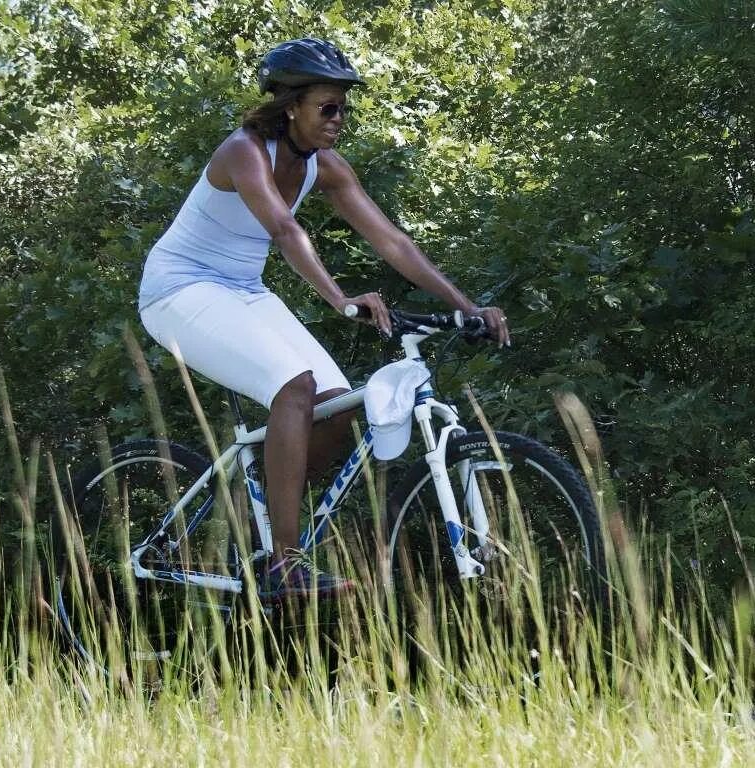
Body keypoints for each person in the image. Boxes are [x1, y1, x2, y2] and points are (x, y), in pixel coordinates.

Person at [137, 37, 510, 600]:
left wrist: (467, 307)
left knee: (335, 410)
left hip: (242, 288)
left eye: (344, 108)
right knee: (296, 388)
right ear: (290, 106)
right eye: (327, 107)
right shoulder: (244, 151)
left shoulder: (326, 167)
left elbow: (392, 241)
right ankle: (284, 564)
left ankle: (263, 513)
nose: (339, 119)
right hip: (178, 289)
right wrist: (340, 299)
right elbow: (287, 232)